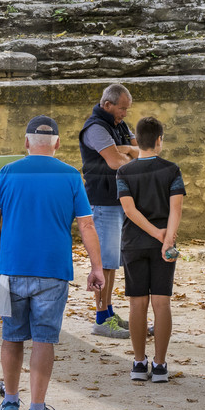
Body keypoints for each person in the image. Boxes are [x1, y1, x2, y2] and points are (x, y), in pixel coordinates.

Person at [0, 116, 104, 410]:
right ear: (58, 144)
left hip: (11, 270)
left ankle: (10, 402)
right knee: (43, 338)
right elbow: (87, 224)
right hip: (53, 270)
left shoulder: (7, 173)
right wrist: (96, 266)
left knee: (11, 337)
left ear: (26, 143)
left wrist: (2, 252)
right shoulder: (70, 176)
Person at [116, 116, 185, 383]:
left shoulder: (124, 172)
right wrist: (166, 237)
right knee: (161, 301)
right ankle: (159, 365)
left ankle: (137, 362)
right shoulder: (172, 169)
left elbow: (129, 210)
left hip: (133, 243)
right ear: (159, 140)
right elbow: (176, 208)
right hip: (163, 244)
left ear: (137, 139)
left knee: (137, 303)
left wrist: (154, 233)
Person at [79, 84, 138, 339]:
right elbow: (116, 163)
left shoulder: (119, 125)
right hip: (103, 202)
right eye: (122, 108)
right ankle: (101, 319)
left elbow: (141, 152)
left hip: (118, 200)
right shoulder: (96, 128)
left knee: (113, 262)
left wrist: (124, 150)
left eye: (127, 108)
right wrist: (125, 154)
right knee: (104, 263)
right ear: (107, 105)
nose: (125, 113)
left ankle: (108, 312)